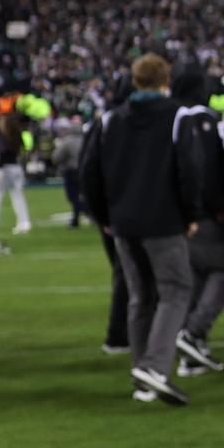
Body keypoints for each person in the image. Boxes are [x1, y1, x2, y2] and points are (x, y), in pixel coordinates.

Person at [80, 53, 203, 405]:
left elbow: (90, 173)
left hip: (122, 223)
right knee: (176, 290)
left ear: (134, 81)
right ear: (166, 81)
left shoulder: (109, 120)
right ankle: (155, 367)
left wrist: (104, 216)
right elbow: (190, 170)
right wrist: (191, 213)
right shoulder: (178, 116)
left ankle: (143, 377)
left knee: (140, 296)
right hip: (163, 220)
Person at [171, 66, 224, 377]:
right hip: (206, 215)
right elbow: (210, 168)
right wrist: (219, 207)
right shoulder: (205, 121)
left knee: (196, 278)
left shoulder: (171, 120)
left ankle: (190, 356)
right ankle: (193, 334)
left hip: (178, 218)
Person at [0, 96, 32, 234]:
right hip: (16, 168)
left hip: (1, 169)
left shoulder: (1, 137)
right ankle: (24, 222)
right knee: (18, 196)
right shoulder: (18, 135)